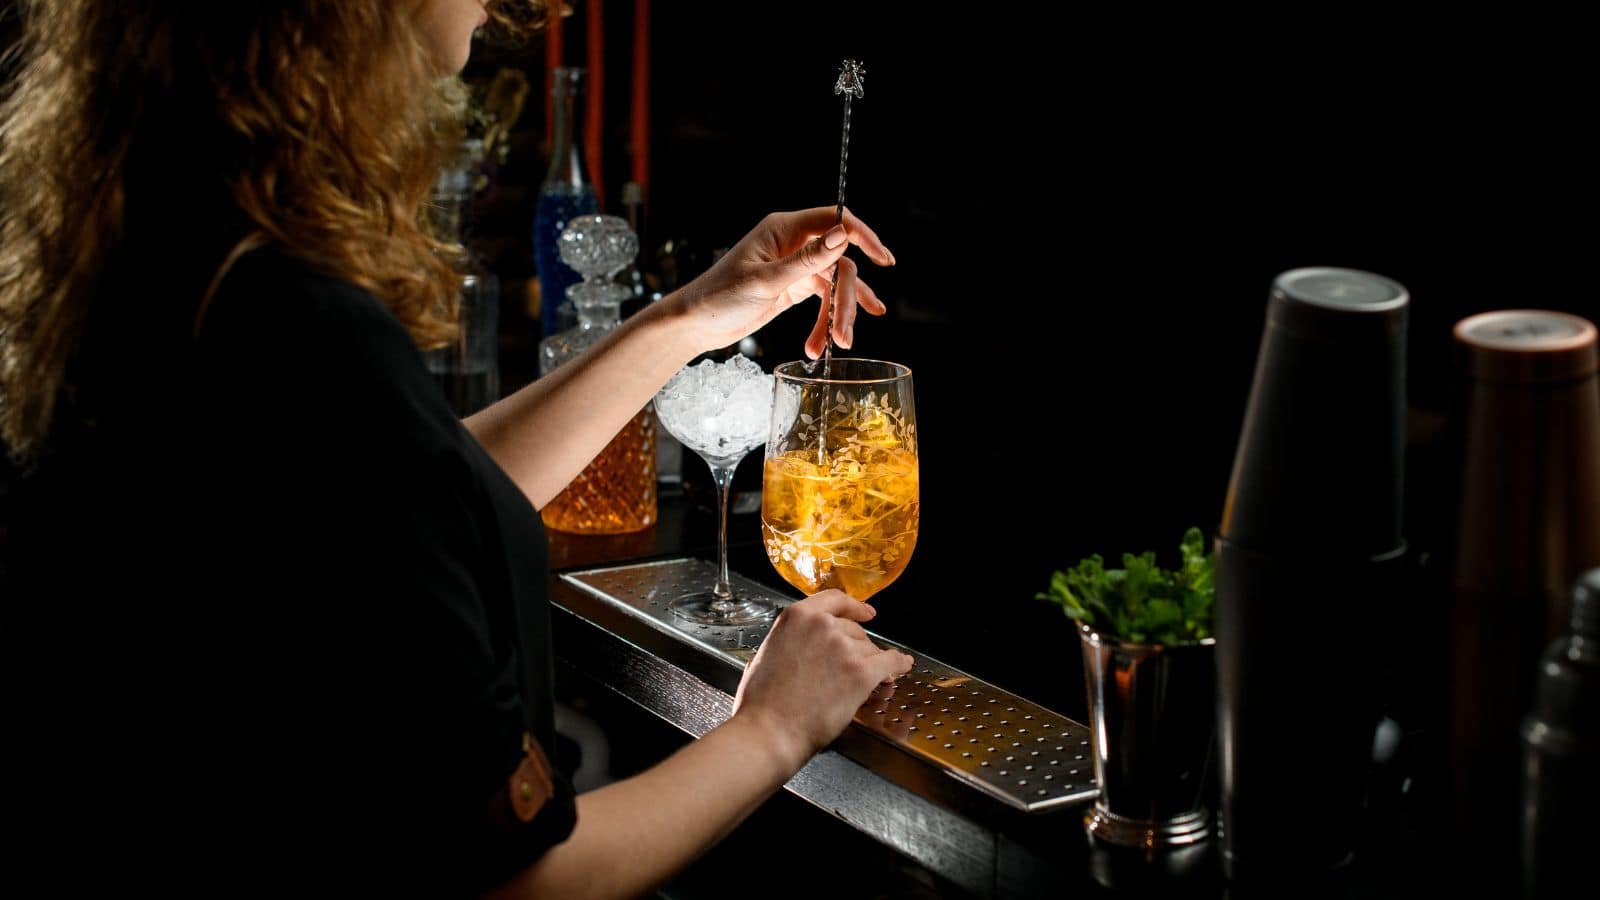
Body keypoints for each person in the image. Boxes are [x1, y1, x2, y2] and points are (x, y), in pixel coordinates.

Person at [0, 1, 907, 895]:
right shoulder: (296, 327)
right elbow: (526, 882)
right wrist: (775, 727)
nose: (487, 11)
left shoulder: (185, 257)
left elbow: (416, 493)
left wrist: (696, 313)